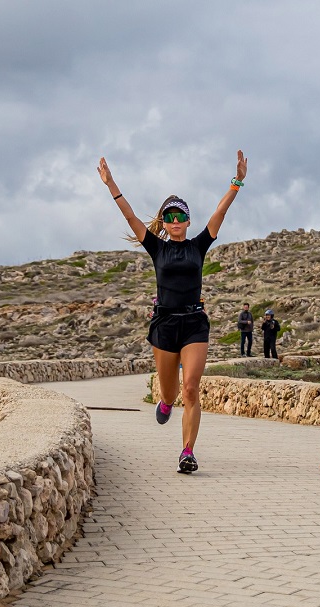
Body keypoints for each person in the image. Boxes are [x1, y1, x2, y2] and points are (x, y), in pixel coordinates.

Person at [99, 150, 248, 474]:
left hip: (194, 323)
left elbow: (220, 213)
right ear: (165, 223)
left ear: (189, 221)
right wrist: (112, 185)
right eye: (171, 218)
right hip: (165, 324)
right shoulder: (158, 247)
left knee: (191, 387)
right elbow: (130, 217)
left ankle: (187, 451)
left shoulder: (199, 245)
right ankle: (165, 403)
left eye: (181, 217)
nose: (176, 222)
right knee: (169, 392)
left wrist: (236, 182)